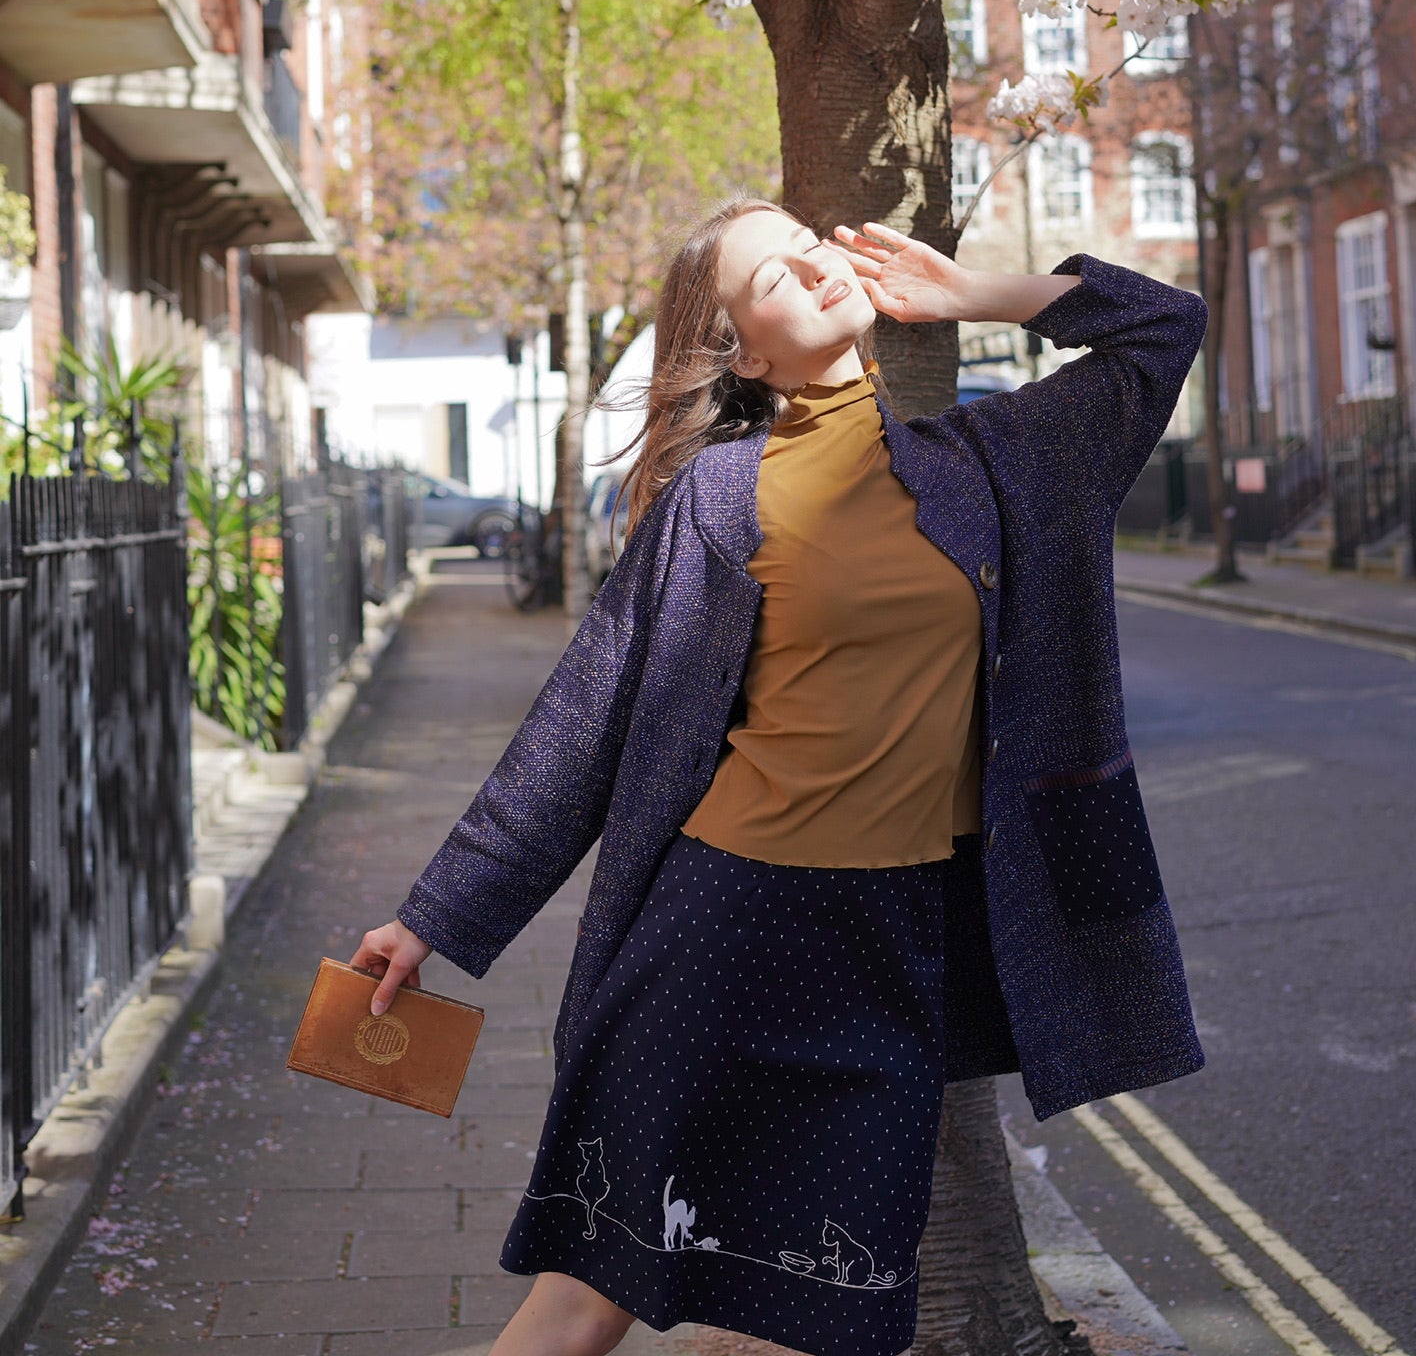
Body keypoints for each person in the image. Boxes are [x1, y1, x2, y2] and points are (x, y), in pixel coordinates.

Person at [352, 203, 1208, 1356]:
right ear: (743, 350)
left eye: (813, 239)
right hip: (719, 938)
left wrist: (970, 293)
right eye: (771, 269)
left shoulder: (999, 464)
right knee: (585, 1299)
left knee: (846, 1314)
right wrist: (432, 917)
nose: (811, 262)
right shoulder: (716, 500)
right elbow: (586, 723)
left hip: (892, 952)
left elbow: (1162, 326)